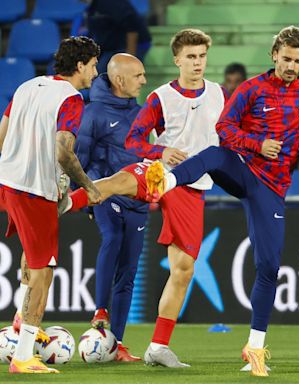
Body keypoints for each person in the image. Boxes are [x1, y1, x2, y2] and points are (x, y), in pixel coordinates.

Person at [134, 25, 299, 377]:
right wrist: (257, 146)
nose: (291, 66)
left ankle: (254, 348)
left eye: (298, 61)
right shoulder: (250, 89)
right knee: (213, 154)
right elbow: (226, 130)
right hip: (242, 168)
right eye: (286, 59)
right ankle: (166, 180)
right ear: (274, 55)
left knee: (269, 265)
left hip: (270, 189)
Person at [61, 28, 229, 367]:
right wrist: (161, 151)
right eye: (191, 57)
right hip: (160, 174)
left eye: (202, 56)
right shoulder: (159, 98)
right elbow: (135, 143)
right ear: (177, 60)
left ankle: (157, 347)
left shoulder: (220, 95)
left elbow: (233, 135)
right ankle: (61, 204)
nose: (198, 63)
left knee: (183, 269)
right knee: (116, 182)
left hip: (193, 188)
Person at [0, 36, 101, 374]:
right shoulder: (71, 98)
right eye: (94, 65)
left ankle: (17, 318)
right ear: (80, 65)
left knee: (33, 252)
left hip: (5, 182)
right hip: (31, 192)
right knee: (45, 272)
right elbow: (63, 152)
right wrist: (88, 186)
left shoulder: (27, 86)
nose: (96, 73)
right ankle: (23, 355)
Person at [74, 53, 148, 362]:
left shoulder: (143, 114)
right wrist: (88, 195)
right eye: (138, 76)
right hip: (104, 193)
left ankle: (116, 344)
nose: (144, 80)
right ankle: (100, 310)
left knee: (129, 270)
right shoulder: (93, 113)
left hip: (138, 199)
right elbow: (79, 157)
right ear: (119, 80)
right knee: (112, 239)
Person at [84, 0, 152, 73]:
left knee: (101, 73)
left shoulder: (112, 3)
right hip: (110, 48)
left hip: (132, 45)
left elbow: (132, 25)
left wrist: (129, 58)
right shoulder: (92, 7)